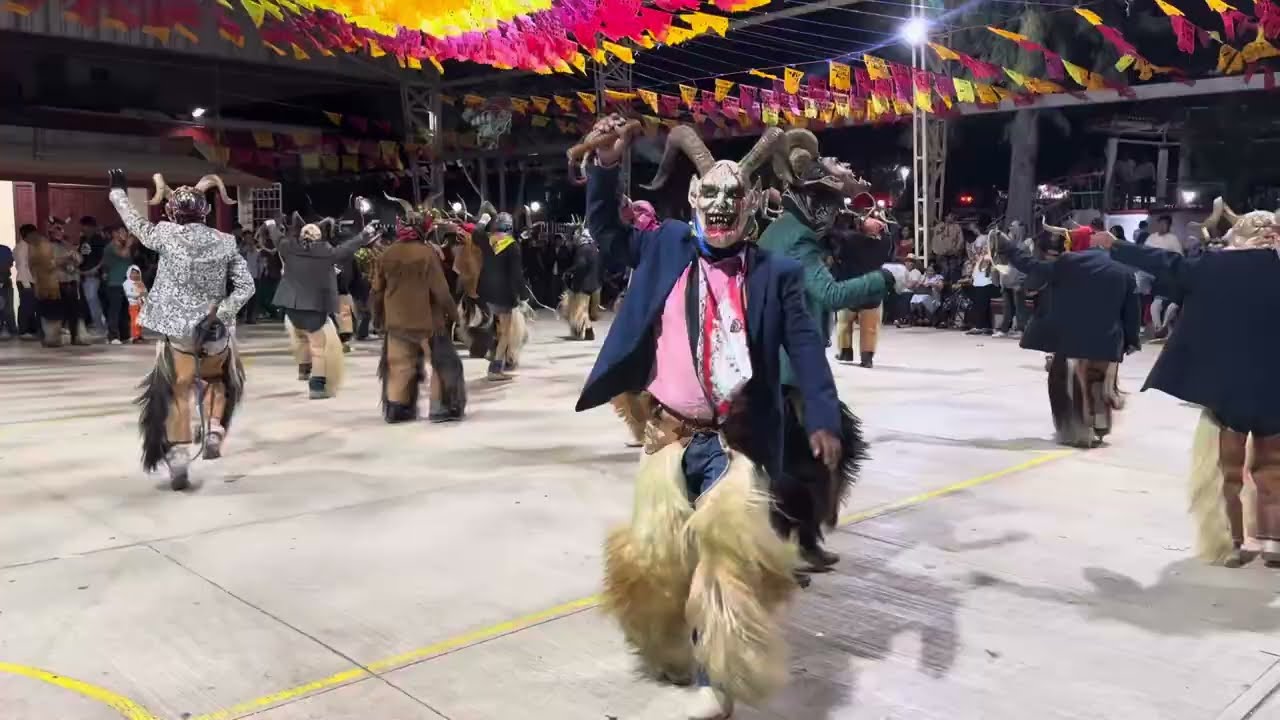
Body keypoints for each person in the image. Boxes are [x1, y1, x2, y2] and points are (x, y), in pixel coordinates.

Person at [578, 116, 844, 719]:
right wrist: (604, 167)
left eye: (734, 195)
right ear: (695, 199)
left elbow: (804, 347)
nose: (722, 205)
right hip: (667, 439)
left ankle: (715, 683)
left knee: (724, 571)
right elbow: (606, 232)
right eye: (711, 194)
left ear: (752, 204)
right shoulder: (665, 244)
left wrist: (822, 416)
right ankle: (673, 651)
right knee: (658, 564)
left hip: (737, 446)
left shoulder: (776, 274)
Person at [1100, 199, 1280, 568]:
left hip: (1228, 388)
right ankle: (1274, 544)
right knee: (1273, 469)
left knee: (1228, 473)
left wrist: (1115, 245)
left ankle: (1233, 544)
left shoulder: (1214, 266)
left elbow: (1166, 264)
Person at [756, 128, 897, 572]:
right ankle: (791, 547)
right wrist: (889, 279)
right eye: (831, 205)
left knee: (797, 461)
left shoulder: (782, 230)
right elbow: (832, 294)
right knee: (811, 460)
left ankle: (800, 541)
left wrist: (870, 233)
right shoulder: (800, 243)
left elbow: (854, 246)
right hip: (788, 371)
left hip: (774, 364)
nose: (835, 214)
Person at [108, 170, 254, 490]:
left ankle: (178, 457)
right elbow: (246, 286)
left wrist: (118, 191)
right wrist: (221, 314)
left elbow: (133, 222)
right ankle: (214, 429)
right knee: (219, 380)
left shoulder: (165, 234)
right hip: (215, 331)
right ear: (206, 212)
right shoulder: (226, 241)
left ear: (173, 214)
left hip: (178, 333)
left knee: (179, 389)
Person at [1000, 228, 1140, 448]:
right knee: (1098, 382)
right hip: (1108, 340)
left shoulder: (1070, 263)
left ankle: (1076, 433)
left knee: (1066, 384)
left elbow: (1032, 267)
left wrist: (1009, 248)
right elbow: (1132, 311)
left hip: (1072, 341)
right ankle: (1099, 427)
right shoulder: (1123, 269)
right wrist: (1131, 340)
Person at [373, 213, 464, 424]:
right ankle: (441, 407)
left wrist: (378, 316)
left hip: (396, 322)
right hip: (427, 322)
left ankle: (397, 409)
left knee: (399, 366)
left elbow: (377, 291)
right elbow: (440, 290)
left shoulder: (387, 254)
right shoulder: (426, 254)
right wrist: (454, 315)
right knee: (442, 364)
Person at [274, 216, 375, 399]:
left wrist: (272, 225)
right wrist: (365, 234)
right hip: (314, 308)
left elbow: (277, 238)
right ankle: (317, 386)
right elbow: (347, 248)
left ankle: (304, 369)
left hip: (291, 307)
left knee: (300, 339)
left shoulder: (288, 249)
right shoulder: (327, 253)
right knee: (318, 347)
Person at [830, 209, 895, 367]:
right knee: (870, 327)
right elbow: (887, 236)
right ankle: (867, 357)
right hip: (872, 290)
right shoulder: (883, 244)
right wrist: (882, 226)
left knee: (844, 322)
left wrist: (848, 221)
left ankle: (845, 352)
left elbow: (837, 235)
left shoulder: (852, 239)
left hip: (851, 287)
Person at [473, 208, 528, 381]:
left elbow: (476, 233)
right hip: (504, 295)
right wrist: (524, 296)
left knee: (495, 326)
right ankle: (495, 369)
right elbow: (516, 275)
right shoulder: (512, 246)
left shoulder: (487, 241)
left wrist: (483, 219)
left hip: (487, 293)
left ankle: (494, 354)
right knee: (506, 332)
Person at [1144, 214, 1183, 339]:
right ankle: (1158, 327)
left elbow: (1179, 256)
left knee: (1172, 304)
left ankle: (1166, 326)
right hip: (1156, 276)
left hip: (1170, 276)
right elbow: (1144, 254)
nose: (1163, 226)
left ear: (1169, 225)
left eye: (1166, 224)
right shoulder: (1151, 238)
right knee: (1155, 304)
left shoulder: (1173, 239)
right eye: (1161, 223)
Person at [561, 225, 602, 341]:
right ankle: (584, 331)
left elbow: (581, 265)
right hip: (594, 284)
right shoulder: (594, 248)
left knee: (581, 310)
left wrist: (569, 272)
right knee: (583, 309)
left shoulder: (583, 249)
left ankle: (588, 331)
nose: (575, 237)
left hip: (583, 284)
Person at [101, 224, 134, 344]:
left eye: (125, 232)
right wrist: (128, 245)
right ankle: (112, 336)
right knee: (114, 310)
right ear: (114, 233)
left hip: (126, 282)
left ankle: (125, 335)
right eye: (121, 232)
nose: (124, 235)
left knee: (125, 310)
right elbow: (123, 254)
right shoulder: (110, 247)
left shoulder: (125, 247)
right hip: (114, 282)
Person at [964, 221, 997, 336]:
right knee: (982, 305)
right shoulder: (982, 256)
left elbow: (985, 268)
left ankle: (980, 326)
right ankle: (986, 327)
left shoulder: (988, 257)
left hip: (985, 283)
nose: (980, 249)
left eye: (982, 247)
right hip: (980, 283)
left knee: (981, 306)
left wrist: (981, 258)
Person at [77, 215, 107, 332]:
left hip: (94, 275)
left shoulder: (98, 239)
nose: (83, 229)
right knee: (88, 300)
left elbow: (104, 257)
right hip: (83, 274)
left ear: (91, 227)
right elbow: (81, 255)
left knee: (92, 299)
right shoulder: (83, 240)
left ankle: (99, 326)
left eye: (85, 226)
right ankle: (93, 324)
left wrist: (95, 269)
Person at [14, 224, 39, 340]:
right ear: (28, 235)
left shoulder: (27, 246)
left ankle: (31, 329)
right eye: (34, 233)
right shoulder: (22, 248)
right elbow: (23, 266)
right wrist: (27, 284)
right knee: (26, 306)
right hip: (25, 280)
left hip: (29, 280)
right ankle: (24, 330)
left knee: (30, 305)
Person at [122, 264, 147, 343]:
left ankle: (139, 335)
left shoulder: (140, 283)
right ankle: (134, 336)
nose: (134, 275)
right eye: (132, 273)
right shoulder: (127, 283)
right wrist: (137, 295)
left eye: (136, 273)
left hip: (141, 305)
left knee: (140, 321)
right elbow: (128, 293)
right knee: (134, 321)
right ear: (129, 273)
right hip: (133, 305)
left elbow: (145, 293)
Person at [0, 239, 14, 339]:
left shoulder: (5, 250)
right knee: (6, 306)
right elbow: (10, 263)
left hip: (4, 280)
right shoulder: (5, 249)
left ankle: (5, 328)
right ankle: (7, 328)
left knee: (4, 306)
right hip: (5, 280)